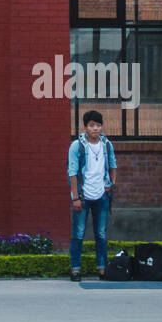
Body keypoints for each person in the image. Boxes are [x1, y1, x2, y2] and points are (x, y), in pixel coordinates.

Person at [67, 109, 117, 281]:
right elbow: (72, 173)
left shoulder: (106, 144)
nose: (95, 128)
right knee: (79, 234)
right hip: (82, 195)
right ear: (85, 127)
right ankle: (75, 270)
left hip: (101, 196)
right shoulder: (77, 145)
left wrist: (110, 184)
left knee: (101, 234)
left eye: (98, 125)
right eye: (92, 125)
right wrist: (75, 197)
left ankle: (102, 269)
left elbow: (113, 165)